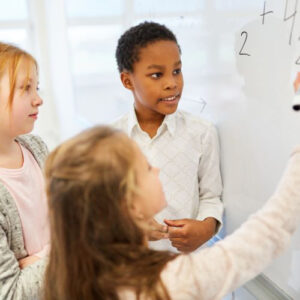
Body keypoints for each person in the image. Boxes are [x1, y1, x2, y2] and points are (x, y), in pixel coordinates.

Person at [43, 78, 300, 299]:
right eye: (145, 168)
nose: (156, 170)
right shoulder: (169, 283)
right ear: (129, 205)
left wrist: (135, 227)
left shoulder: (78, 275)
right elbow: (269, 233)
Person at [113, 21, 223, 252]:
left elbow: (211, 197)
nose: (172, 84)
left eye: (176, 71)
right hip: (134, 271)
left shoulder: (201, 132)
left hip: (189, 269)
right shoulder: (112, 140)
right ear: (127, 80)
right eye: (156, 75)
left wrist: (206, 228)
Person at [0, 42, 49, 300]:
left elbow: (75, 220)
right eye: (26, 88)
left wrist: (41, 258)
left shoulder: (37, 148)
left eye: (36, 87)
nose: (38, 99)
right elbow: (11, 293)